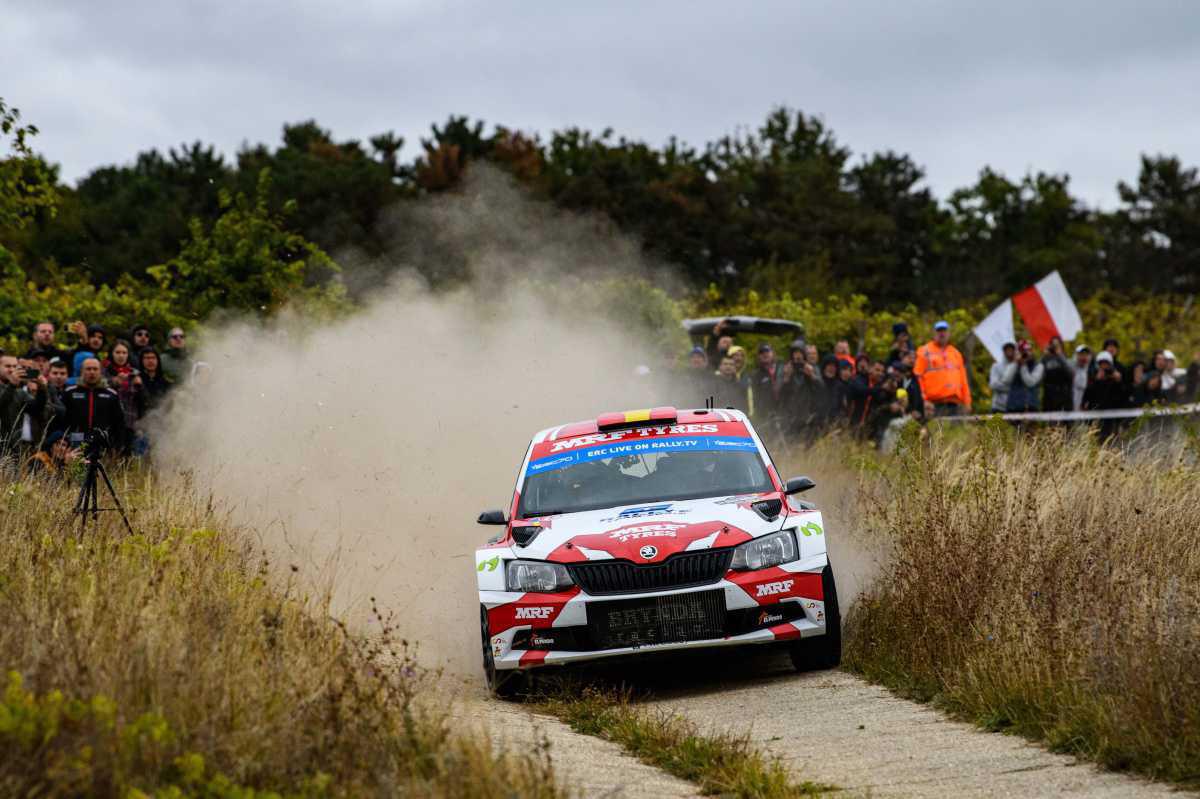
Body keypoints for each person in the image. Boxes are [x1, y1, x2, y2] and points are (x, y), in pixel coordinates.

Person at [60, 358, 127, 452]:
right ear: (82, 371)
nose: (92, 372)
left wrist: (118, 445)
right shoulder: (69, 392)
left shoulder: (111, 394)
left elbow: (119, 422)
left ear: (100, 371)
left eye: (95, 369)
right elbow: (61, 419)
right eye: (88, 369)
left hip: (103, 445)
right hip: (75, 443)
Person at [914, 320, 972, 416]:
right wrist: (923, 400)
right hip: (933, 404)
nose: (942, 333)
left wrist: (967, 401)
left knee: (954, 431)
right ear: (934, 333)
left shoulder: (955, 353)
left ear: (949, 333)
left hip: (954, 404)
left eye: (944, 331)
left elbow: (963, 380)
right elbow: (917, 378)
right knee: (936, 430)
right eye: (939, 331)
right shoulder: (924, 351)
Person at [1007, 340, 1044, 413]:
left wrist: (1023, 366)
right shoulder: (1014, 364)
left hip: (1030, 406)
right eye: (1023, 351)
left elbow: (1030, 383)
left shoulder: (1038, 366)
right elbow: (1006, 380)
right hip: (1013, 406)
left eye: (1029, 350)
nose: (1027, 353)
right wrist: (1015, 363)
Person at [750, 343, 782, 424]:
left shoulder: (783, 368)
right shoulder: (755, 375)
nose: (765, 354)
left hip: (784, 414)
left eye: (767, 351)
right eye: (761, 352)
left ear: (773, 353)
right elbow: (754, 397)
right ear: (758, 357)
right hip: (765, 417)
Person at [1040, 336, 1073, 412]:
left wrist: (1060, 355)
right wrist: (1044, 356)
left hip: (1064, 396)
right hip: (1049, 397)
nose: (1054, 348)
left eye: (1057, 345)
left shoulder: (1066, 359)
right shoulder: (1046, 359)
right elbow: (1039, 375)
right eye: (1053, 345)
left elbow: (1070, 373)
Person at [135, 347, 172, 413]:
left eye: (153, 358)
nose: (150, 361)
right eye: (147, 358)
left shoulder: (166, 383)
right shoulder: (136, 381)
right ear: (141, 361)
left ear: (158, 360)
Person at [988, 342, 1018, 412]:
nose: (1009, 352)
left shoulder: (1019, 366)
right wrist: (1011, 388)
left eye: (1011, 350)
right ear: (1004, 351)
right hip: (998, 406)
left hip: (1015, 406)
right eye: (1007, 350)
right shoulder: (996, 366)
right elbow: (993, 384)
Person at [1071, 346, 1092, 411]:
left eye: (1086, 354)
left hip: (1086, 405)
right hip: (1071, 403)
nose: (1083, 357)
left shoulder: (1092, 370)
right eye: (1081, 354)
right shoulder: (1069, 368)